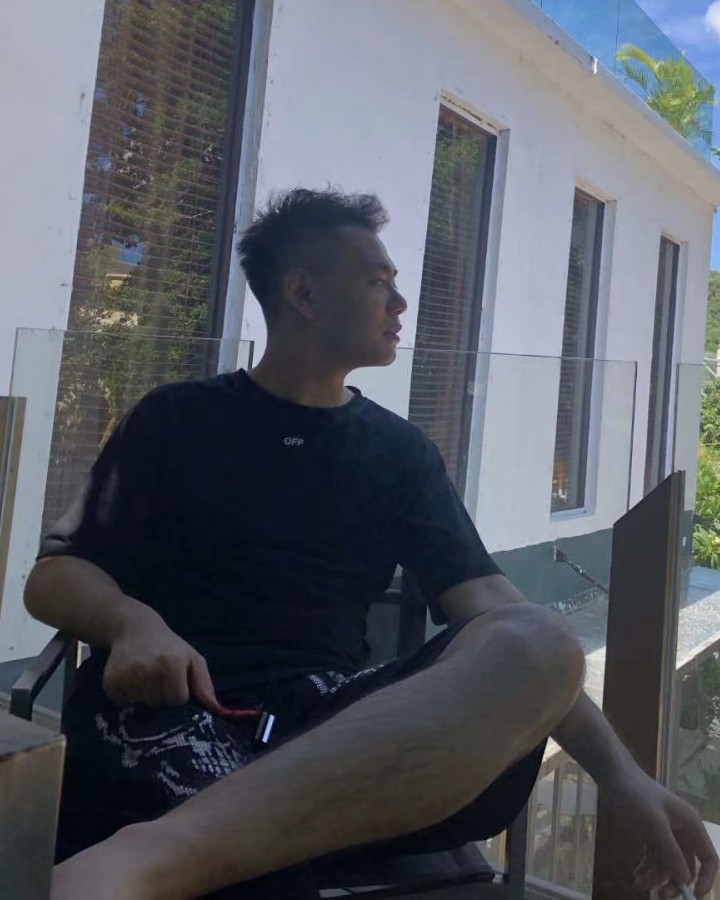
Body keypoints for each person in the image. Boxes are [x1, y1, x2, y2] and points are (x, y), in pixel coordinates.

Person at [25, 188, 716, 900]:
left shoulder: (399, 452)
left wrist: (622, 777)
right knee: (261, 874)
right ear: (304, 293)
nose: (400, 303)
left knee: (538, 638)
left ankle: (157, 855)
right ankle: (170, 856)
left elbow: (507, 623)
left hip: (327, 732)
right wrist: (132, 622)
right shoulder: (175, 419)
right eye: (378, 281)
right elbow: (55, 576)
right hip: (167, 715)